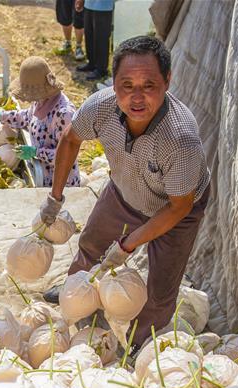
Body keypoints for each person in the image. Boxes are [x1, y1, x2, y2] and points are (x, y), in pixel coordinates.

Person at [40, 36, 211, 350]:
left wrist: (129, 244)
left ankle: (140, 343)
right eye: (126, 85)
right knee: (91, 244)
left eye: (149, 85)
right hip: (125, 190)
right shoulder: (101, 106)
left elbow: (178, 208)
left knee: (160, 288)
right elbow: (70, 139)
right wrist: (56, 196)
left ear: (167, 81)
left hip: (176, 207)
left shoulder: (181, 139)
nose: (137, 97)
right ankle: (77, 293)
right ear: (113, 82)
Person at [0, 56, 80, 188]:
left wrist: (36, 152)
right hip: (41, 176)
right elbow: (26, 117)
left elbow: (68, 155)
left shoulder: (64, 114)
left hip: (61, 184)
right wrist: (2, 115)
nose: (27, 99)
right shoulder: (41, 101)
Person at [74, 0, 113, 82]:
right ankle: (91, 63)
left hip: (104, 7)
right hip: (89, 5)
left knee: (101, 39)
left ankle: (101, 70)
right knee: (89, 35)